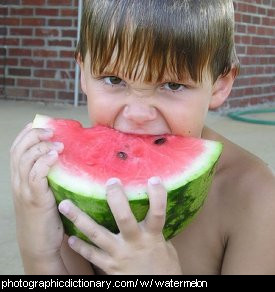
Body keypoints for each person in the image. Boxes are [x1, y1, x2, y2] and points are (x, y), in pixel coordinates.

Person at [10, 0, 275, 275]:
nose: (137, 114)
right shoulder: (64, 176)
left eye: (172, 85)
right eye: (113, 80)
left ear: (220, 84)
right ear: (83, 73)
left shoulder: (255, 198)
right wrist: (39, 251)